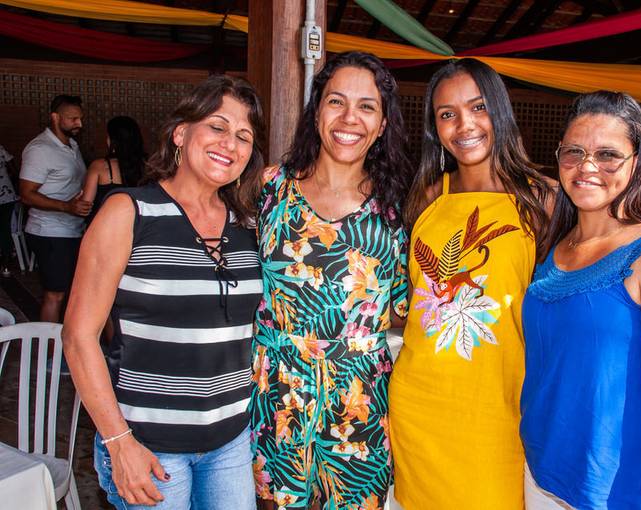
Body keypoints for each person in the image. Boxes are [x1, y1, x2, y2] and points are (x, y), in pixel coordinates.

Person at [62, 75, 264, 509]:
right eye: (217, 126)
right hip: (149, 446)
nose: (230, 143)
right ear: (180, 133)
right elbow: (78, 336)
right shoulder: (129, 211)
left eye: (244, 136)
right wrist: (119, 442)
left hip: (231, 442)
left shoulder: (248, 224)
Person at [521, 91, 641, 509]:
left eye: (608, 155)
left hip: (614, 495)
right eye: (574, 152)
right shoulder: (555, 244)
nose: (587, 167)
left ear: (638, 161)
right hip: (540, 477)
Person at [250, 51, 411, 509]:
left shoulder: (399, 207)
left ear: (382, 124)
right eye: (336, 101)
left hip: (359, 401)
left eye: (367, 106)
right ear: (317, 110)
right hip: (278, 395)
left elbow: (406, 309)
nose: (349, 118)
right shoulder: (269, 187)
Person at [389, 58, 551, 509]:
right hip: (419, 405)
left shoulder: (542, 199)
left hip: (499, 410)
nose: (465, 125)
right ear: (434, 127)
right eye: (448, 114)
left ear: (499, 109)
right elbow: (410, 298)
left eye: (478, 107)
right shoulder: (426, 196)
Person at [19, 94, 92, 322]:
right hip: (50, 232)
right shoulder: (40, 149)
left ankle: (64, 339)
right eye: (73, 119)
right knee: (55, 295)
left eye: (80, 118)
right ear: (55, 117)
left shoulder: (72, 145)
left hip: (71, 230)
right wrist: (66, 206)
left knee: (69, 292)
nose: (79, 124)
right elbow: (26, 194)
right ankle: (47, 344)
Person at [83, 115, 146, 222]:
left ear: (112, 140)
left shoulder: (99, 166)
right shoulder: (148, 165)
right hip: (137, 227)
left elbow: (85, 206)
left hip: (106, 226)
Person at [0, 144, 18, 276]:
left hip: (6, 196)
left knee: (4, 229)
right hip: (7, 195)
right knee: (4, 228)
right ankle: (6, 263)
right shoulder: (0, 148)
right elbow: (12, 166)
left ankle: (6, 260)